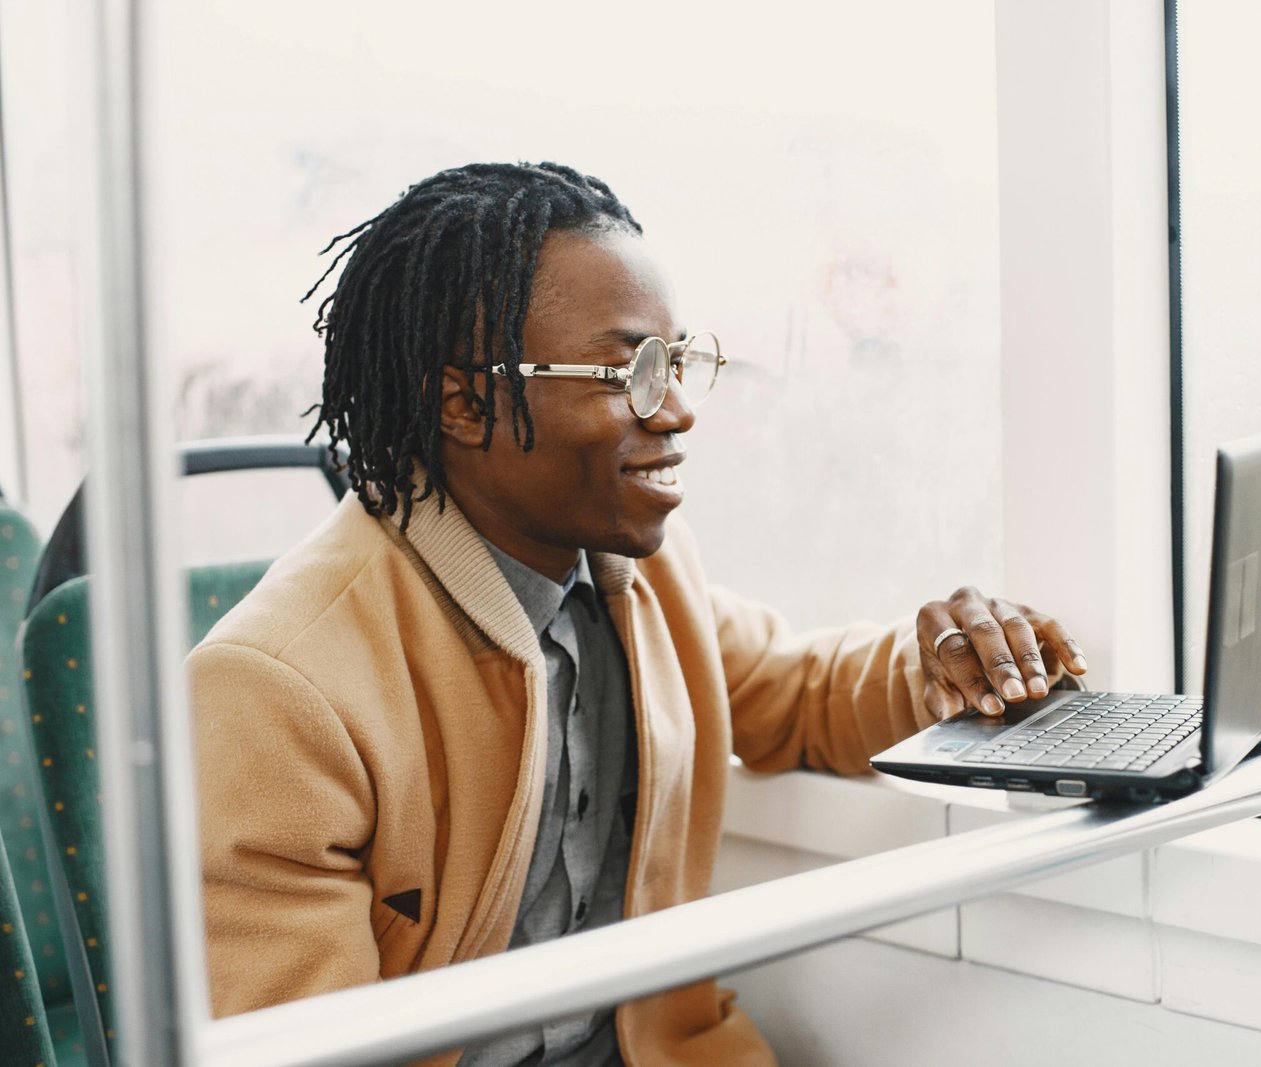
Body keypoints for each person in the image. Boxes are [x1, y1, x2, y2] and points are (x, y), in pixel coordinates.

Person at [188, 161, 1087, 1067]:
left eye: (679, 364)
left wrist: (937, 662)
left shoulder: (635, 567)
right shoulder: (274, 695)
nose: (681, 411)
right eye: (631, 373)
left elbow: (794, 691)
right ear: (466, 401)